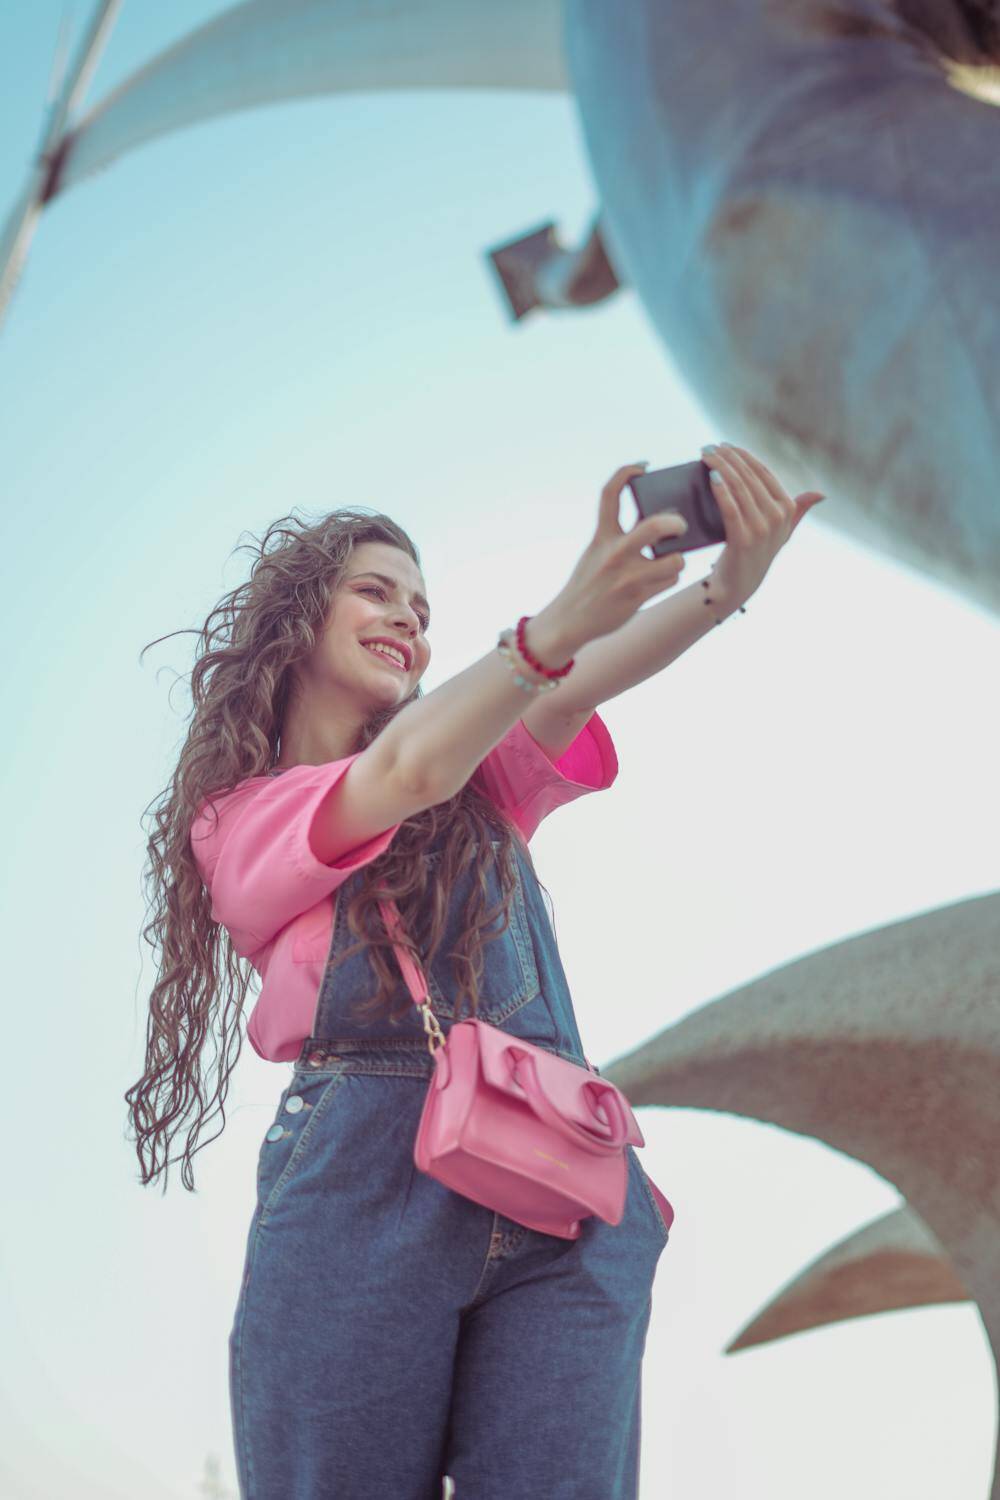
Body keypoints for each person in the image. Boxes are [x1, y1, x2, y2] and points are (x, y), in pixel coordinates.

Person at [125, 444, 822, 1498]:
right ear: (296, 624)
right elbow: (405, 769)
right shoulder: (245, 821)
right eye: (375, 591)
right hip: (365, 1183)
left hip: (562, 1186)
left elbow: (581, 675)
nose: (408, 617)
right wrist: (549, 630)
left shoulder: (481, 783)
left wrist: (725, 586)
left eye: (420, 604)